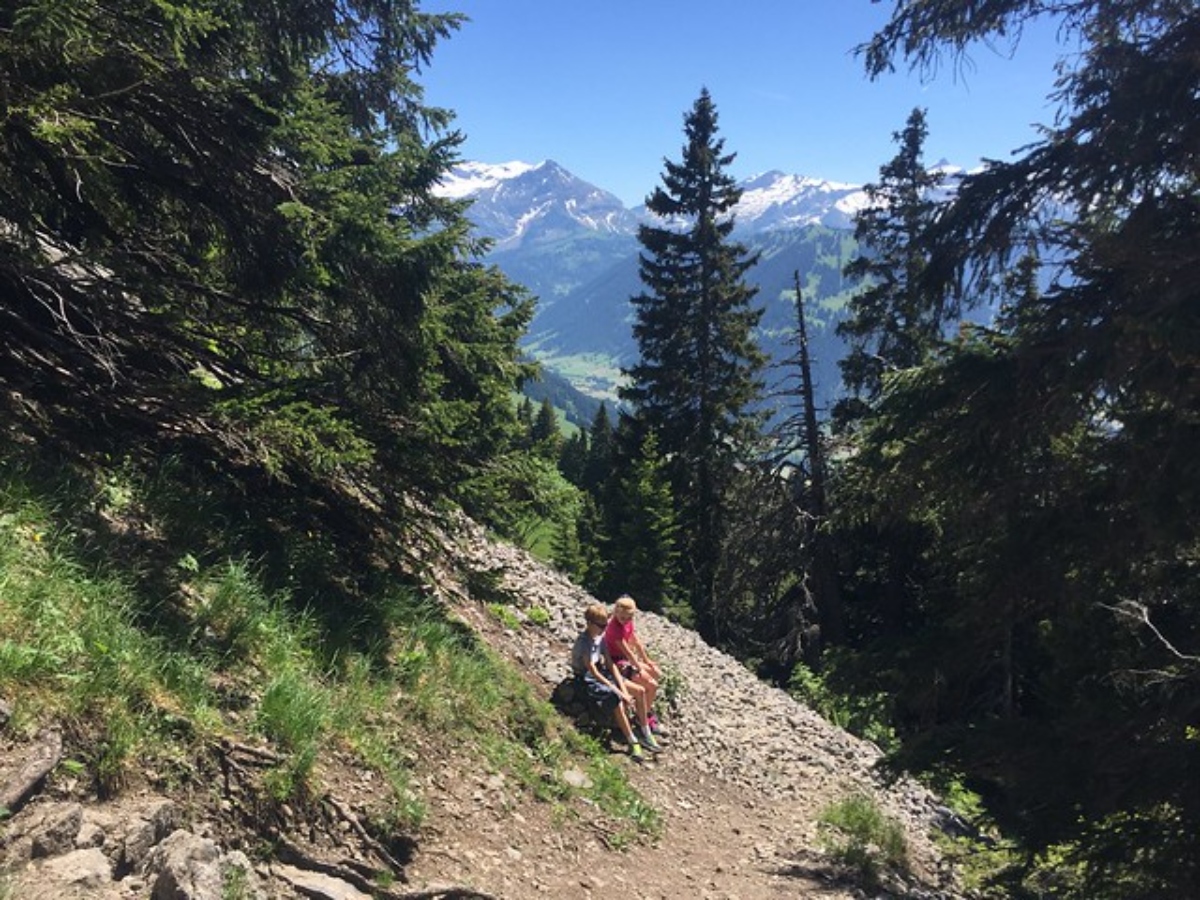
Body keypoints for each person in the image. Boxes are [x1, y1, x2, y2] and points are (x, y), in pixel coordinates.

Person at [570, 603, 663, 758]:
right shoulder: (584, 642)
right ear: (590, 623)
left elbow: (610, 664)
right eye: (601, 626)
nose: (604, 629)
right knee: (616, 699)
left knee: (640, 691)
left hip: (601, 671)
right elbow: (593, 672)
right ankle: (632, 741)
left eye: (605, 625)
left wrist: (624, 688)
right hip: (586, 677)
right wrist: (620, 692)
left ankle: (645, 732)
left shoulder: (600, 638)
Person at [603, 594, 666, 735]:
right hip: (616, 662)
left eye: (628, 618)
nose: (625, 620)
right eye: (622, 618)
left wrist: (646, 660)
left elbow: (635, 641)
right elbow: (627, 651)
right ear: (616, 612)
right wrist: (639, 668)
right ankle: (642, 717)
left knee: (655, 672)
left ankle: (644, 708)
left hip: (625, 659)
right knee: (652, 684)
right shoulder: (614, 628)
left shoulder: (627, 622)